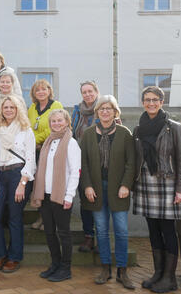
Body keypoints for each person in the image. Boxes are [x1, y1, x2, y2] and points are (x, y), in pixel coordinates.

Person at [133, 86, 181, 293]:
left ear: (162, 102)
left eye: (155, 100)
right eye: (147, 100)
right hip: (146, 183)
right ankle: (158, 273)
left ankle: (169, 278)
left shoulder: (173, 127)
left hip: (167, 183)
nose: (151, 103)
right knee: (153, 230)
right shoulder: (139, 129)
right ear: (142, 102)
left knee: (168, 231)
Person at [80, 95, 135, 289]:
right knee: (101, 231)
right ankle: (105, 268)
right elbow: (83, 163)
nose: (105, 111)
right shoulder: (87, 134)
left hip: (118, 189)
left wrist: (126, 185)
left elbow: (131, 162)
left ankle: (122, 270)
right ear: (97, 112)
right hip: (95, 189)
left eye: (109, 108)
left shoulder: (124, 133)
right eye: (101, 108)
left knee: (121, 230)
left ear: (115, 112)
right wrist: (86, 185)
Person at [0, 94, 36, 273]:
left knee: (15, 217)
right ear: (1, 110)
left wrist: (23, 183)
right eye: (5, 107)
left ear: (18, 110)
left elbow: (30, 158)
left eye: (12, 107)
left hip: (18, 175)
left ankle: (14, 257)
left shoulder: (26, 130)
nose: (8, 110)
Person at [30, 109, 81, 282]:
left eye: (60, 120)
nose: (56, 123)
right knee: (50, 232)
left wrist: (69, 196)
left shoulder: (71, 143)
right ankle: (55, 264)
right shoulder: (48, 142)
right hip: (45, 195)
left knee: (64, 233)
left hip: (61, 197)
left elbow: (75, 172)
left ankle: (66, 268)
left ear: (67, 122)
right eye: (53, 121)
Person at [27, 79, 64, 230]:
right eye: (38, 90)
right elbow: (28, 126)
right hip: (34, 151)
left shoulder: (56, 106)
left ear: (49, 91)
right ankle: (41, 216)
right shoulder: (32, 107)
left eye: (44, 89)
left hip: (50, 149)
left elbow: (53, 128)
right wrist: (32, 142)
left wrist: (35, 139)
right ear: (34, 94)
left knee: (49, 185)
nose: (41, 92)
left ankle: (50, 220)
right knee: (38, 186)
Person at [70, 80, 100, 253]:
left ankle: (100, 236)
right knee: (85, 200)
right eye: (84, 92)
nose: (87, 94)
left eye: (90, 91)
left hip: (101, 162)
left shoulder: (105, 107)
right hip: (82, 160)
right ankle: (89, 236)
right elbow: (72, 133)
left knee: (101, 200)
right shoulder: (77, 111)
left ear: (96, 92)